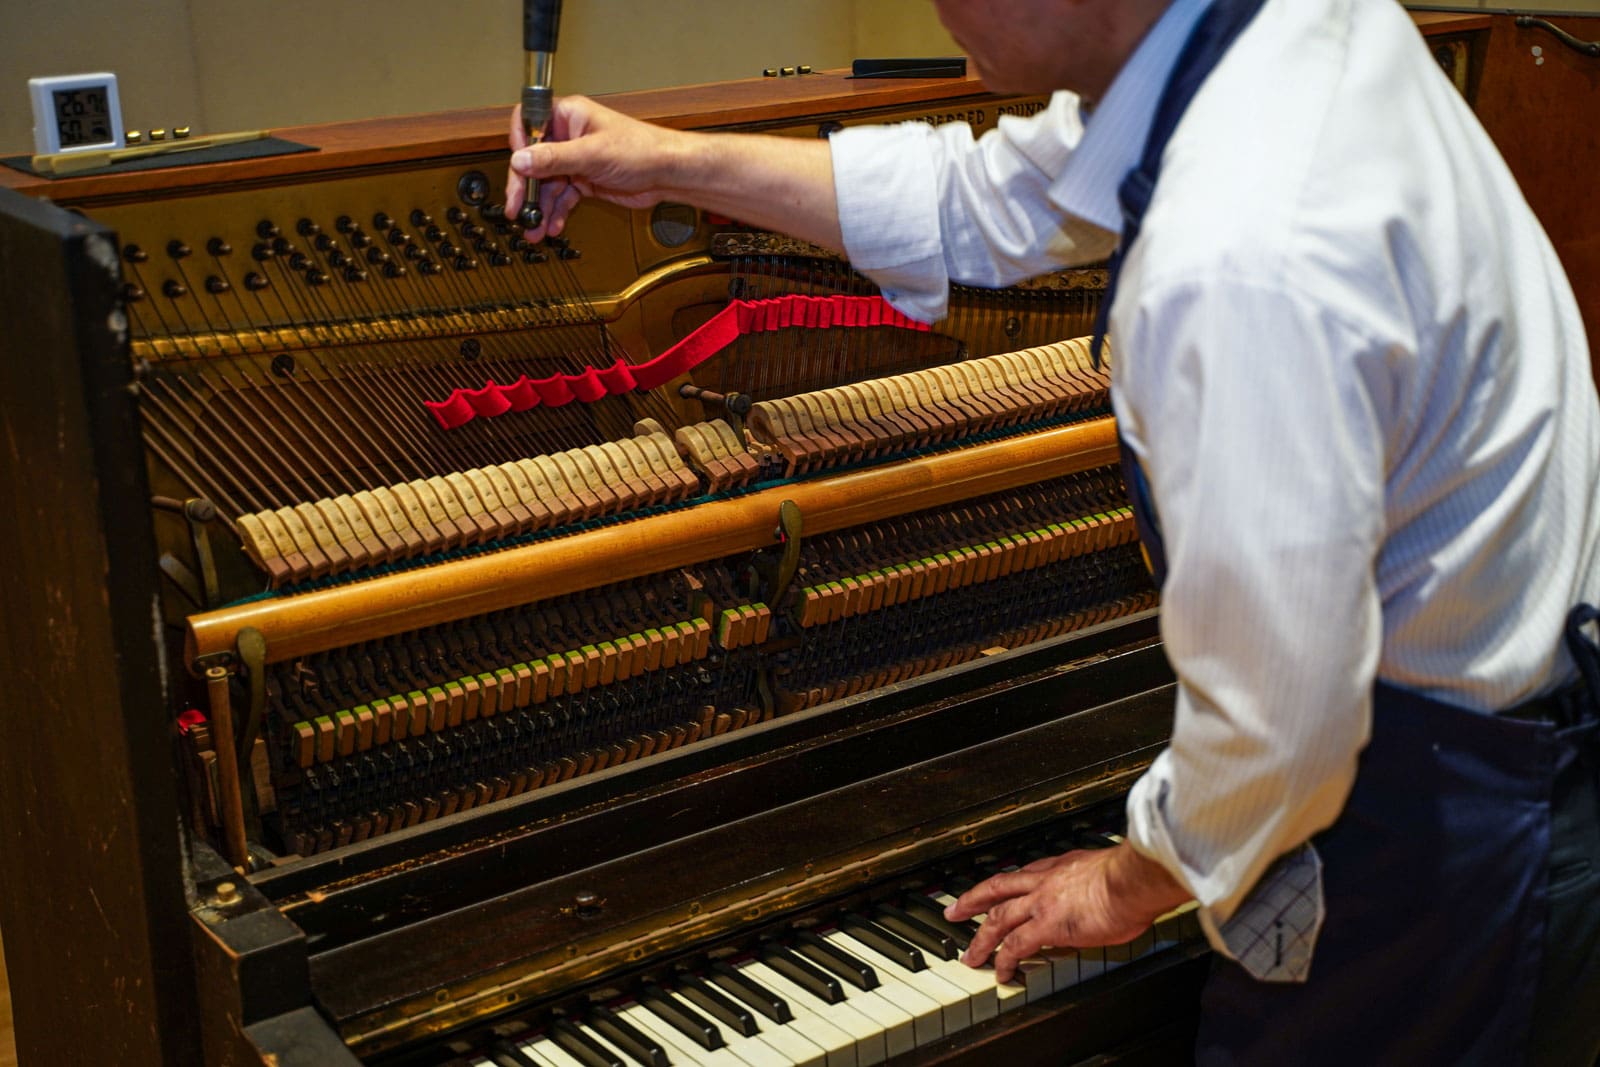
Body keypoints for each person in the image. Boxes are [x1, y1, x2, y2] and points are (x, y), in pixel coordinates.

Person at [506, 0, 1600, 1062]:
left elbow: (1282, 719)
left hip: (1432, 847)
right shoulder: (1275, 36)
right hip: (1496, 747)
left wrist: (1130, 880)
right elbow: (985, 197)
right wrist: (668, 162)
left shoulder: (1237, 249)